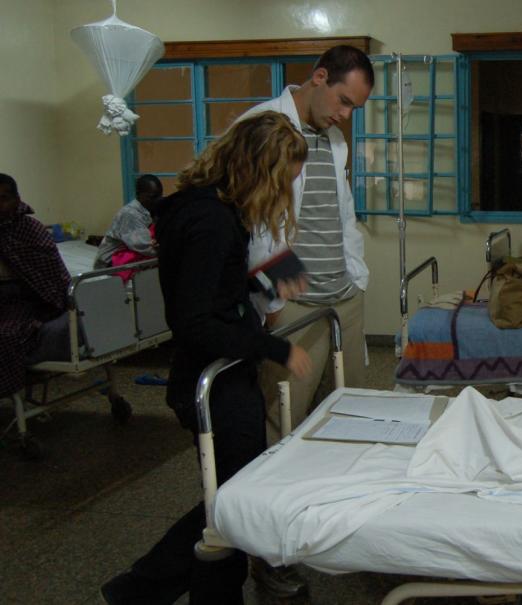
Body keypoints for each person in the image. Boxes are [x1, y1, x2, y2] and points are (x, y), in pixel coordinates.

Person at [100, 112, 312, 605]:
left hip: (224, 375)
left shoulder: (209, 210)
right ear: (258, 171)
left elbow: (215, 293)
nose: (283, 196)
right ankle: (140, 588)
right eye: (283, 182)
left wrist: (265, 281)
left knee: (233, 497)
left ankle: (207, 593)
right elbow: (194, 321)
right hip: (212, 382)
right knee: (233, 503)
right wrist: (274, 346)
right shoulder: (210, 221)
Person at [240, 45, 373, 444]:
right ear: (319, 78)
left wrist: (357, 277)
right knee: (282, 420)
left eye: (354, 109)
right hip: (294, 303)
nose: (345, 115)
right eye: (343, 101)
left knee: (353, 413)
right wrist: (273, 302)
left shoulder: (333, 139)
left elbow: (342, 212)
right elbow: (254, 225)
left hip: (343, 296)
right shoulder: (263, 127)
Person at [0, 174, 70, 398]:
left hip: (32, 299)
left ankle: (11, 389)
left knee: (6, 334)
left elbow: (51, 277)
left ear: (18, 199)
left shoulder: (29, 229)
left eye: (5, 198)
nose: (0, 205)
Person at [94, 174, 163, 269]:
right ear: (139, 194)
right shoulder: (130, 214)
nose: (157, 200)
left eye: (159, 196)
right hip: (110, 263)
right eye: (152, 197)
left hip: (132, 256)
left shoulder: (150, 210)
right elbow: (146, 247)